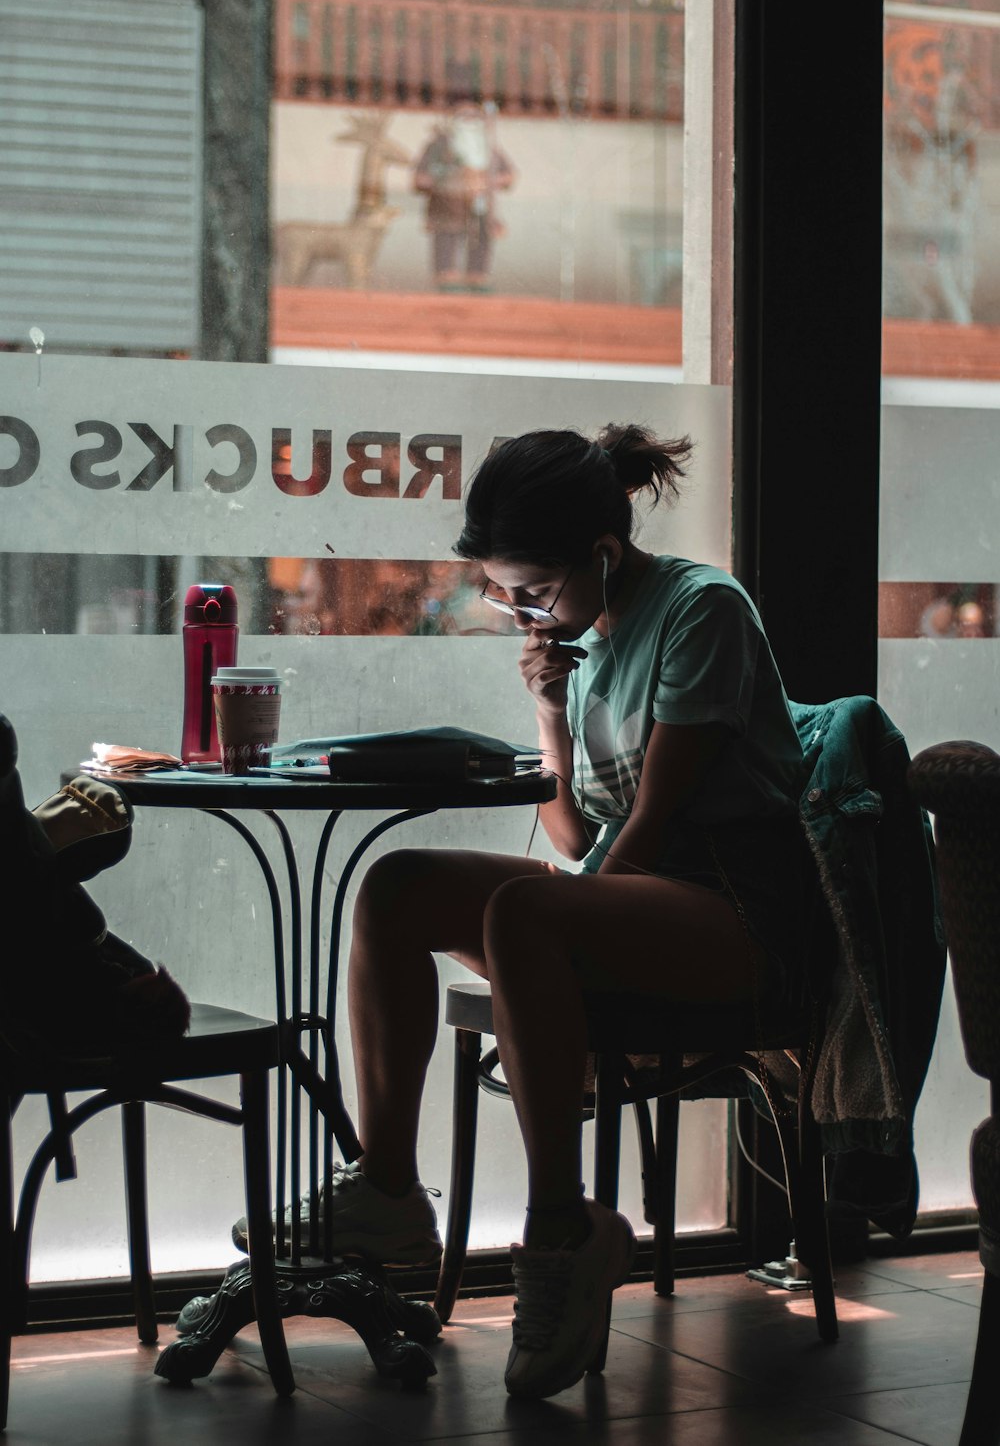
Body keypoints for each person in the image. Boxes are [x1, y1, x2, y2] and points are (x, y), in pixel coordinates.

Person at [271, 425, 815, 1399]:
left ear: (602, 555)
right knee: (399, 884)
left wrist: (551, 920)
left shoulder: (702, 613)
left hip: (735, 910)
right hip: (631, 891)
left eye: (529, 591)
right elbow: (572, 836)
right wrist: (549, 713)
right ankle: (389, 1189)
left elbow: (651, 827)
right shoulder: (587, 634)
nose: (518, 612)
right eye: (502, 594)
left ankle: (561, 1227)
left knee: (524, 916)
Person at [412, 98, 515, 292]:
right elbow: (421, 177)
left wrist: (483, 181)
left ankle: (477, 277)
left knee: (481, 239)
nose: (469, 120)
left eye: (474, 116)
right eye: (464, 116)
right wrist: (448, 180)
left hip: (480, 206)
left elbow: (508, 175)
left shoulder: (487, 147)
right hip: (447, 206)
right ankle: (446, 277)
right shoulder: (439, 146)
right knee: (447, 240)